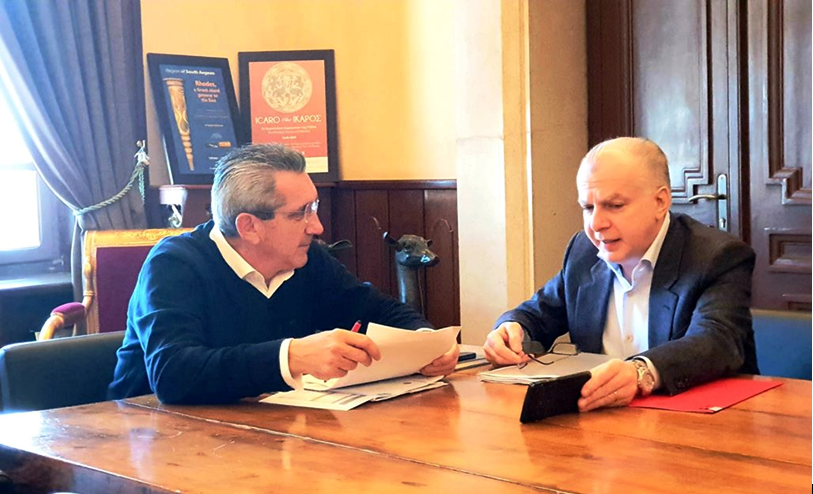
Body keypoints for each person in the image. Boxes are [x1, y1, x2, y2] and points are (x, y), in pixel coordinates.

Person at [109, 144, 458, 404]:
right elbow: (173, 374)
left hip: (261, 436)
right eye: (300, 214)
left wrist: (425, 342)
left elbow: (377, 309)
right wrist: (294, 356)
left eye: (315, 208)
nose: (317, 226)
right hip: (145, 443)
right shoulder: (174, 264)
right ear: (249, 226)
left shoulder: (306, 259)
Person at [484, 137, 757, 412]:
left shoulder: (716, 256)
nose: (596, 224)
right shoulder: (583, 251)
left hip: (699, 422)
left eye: (614, 205)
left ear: (660, 201)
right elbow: (539, 313)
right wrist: (511, 330)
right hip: (600, 420)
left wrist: (640, 372)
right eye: (588, 208)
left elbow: (716, 341)